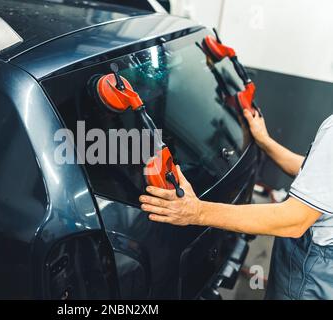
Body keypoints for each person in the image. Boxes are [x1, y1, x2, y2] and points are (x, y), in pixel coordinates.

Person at [139, 108, 333, 300]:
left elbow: (294, 220)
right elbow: (313, 173)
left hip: (312, 272)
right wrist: (265, 142)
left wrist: (197, 212)